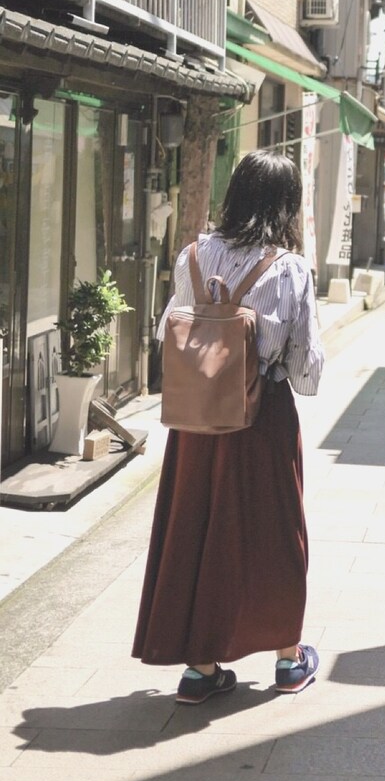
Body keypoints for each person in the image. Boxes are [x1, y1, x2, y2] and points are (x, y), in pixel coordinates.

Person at [132, 149, 325, 703]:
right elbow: (306, 373)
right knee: (274, 532)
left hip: (195, 421)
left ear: (235, 193)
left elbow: (168, 330)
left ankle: (200, 668)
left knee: (194, 528)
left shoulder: (192, 256)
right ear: (287, 205)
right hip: (261, 419)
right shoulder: (288, 269)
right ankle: (288, 658)